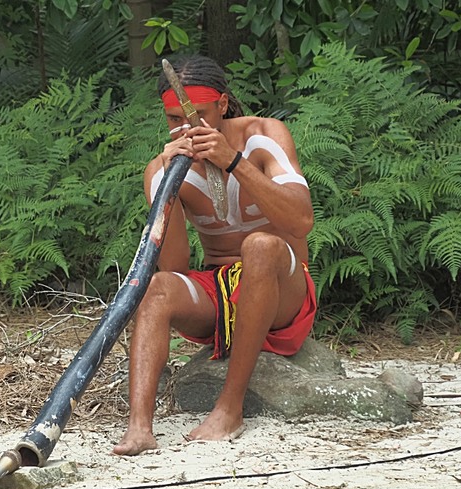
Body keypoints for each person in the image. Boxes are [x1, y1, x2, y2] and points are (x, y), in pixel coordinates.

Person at [113, 55, 317, 456]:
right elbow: (174, 267)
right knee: (156, 287)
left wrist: (233, 162)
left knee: (259, 245)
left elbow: (301, 220)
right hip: (220, 294)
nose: (187, 128)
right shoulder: (163, 167)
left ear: (223, 104)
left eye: (199, 115)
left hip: (283, 288)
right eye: (175, 119)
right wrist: (166, 186)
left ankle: (229, 408)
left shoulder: (263, 136)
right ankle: (139, 428)